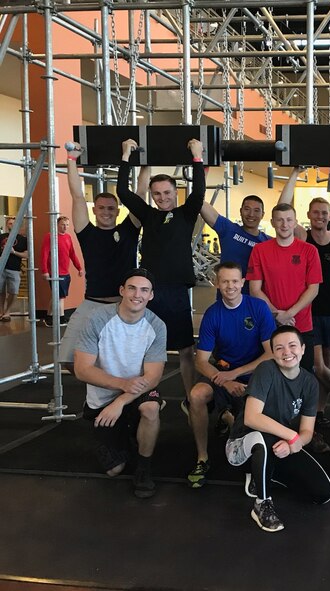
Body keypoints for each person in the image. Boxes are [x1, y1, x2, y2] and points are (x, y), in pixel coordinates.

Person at [117, 138, 205, 399]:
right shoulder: (148, 215)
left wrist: (197, 157)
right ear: (152, 196)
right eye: (157, 194)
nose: (162, 198)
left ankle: (191, 399)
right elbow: (123, 192)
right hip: (150, 294)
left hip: (177, 292)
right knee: (145, 349)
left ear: (175, 193)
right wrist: (125, 157)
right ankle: (146, 396)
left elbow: (199, 192)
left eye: (167, 193)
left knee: (186, 350)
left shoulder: (186, 214)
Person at [225, 326, 330, 533]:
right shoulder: (266, 370)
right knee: (262, 439)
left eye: (292, 346)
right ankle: (261, 504)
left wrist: (293, 445)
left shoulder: (309, 382)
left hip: (278, 443)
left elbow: (307, 432)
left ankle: (267, 473)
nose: (287, 352)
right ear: (273, 353)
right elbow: (252, 417)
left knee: (323, 493)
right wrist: (291, 436)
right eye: (279, 348)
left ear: (302, 349)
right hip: (241, 445)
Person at [73, 268, 166, 498]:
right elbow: (82, 370)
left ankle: (144, 468)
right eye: (132, 288)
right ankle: (127, 435)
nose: (138, 295)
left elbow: (152, 377)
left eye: (144, 290)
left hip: (136, 393)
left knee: (151, 408)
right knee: (115, 469)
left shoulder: (157, 326)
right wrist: (121, 384)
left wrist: (122, 401)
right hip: (103, 397)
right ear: (122, 291)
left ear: (151, 295)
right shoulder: (97, 319)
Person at [186, 262, 276, 488]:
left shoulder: (258, 308)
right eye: (225, 281)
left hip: (255, 373)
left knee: (255, 413)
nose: (230, 286)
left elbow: (270, 354)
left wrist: (236, 374)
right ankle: (202, 458)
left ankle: (259, 462)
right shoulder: (213, 314)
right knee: (196, 395)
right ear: (217, 283)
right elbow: (201, 361)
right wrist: (226, 381)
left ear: (243, 283)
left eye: (235, 281)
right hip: (224, 375)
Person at [276, 171, 330, 426]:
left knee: (327, 365)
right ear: (308, 215)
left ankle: (320, 411)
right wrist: (295, 173)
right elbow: (282, 207)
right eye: (316, 212)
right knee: (318, 366)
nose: (320, 216)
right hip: (307, 310)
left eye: (324, 213)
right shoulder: (301, 237)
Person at [59, 142, 143, 371]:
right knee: (68, 360)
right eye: (102, 208)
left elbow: (140, 193)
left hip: (121, 305)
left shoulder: (128, 230)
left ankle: (119, 399)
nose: (106, 212)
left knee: (123, 362)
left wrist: (146, 165)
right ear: (94, 210)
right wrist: (72, 159)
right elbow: (77, 196)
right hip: (91, 303)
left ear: (117, 211)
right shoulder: (87, 232)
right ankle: (99, 390)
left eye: (111, 208)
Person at [246, 202, 322, 371]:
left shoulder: (309, 251)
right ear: (272, 222)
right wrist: (276, 314)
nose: (284, 224)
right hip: (270, 324)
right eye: (279, 220)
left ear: (295, 222)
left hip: (301, 325)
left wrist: (289, 314)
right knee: (271, 376)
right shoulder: (260, 250)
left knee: (304, 375)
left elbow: (313, 289)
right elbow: (254, 289)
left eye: (289, 220)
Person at [199, 194, 270, 293]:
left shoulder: (268, 242)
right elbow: (201, 204)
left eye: (256, 210)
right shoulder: (229, 230)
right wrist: (200, 182)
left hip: (255, 299)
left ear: (263, 214)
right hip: (228, 297)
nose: (251, 214)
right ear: (240, 211)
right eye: (247, 209)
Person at [41, 216, 83, 327]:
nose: (65, 227)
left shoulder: (68, 237)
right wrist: (45, 271)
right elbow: (44, 254)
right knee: (59, 297)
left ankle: (49, 318)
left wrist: (79, 268)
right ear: (57, 225)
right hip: (54, 272)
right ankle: (61, 318)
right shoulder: (50, 236)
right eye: (63, 224)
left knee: (56, 296)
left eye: (67, 225)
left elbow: (72, 254)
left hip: (65, 272)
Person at [0, 216, 28, 322]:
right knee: (0, 291)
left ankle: (8, 310)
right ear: (7, 225)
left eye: (14, 223)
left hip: (14, 269)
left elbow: (27, 255)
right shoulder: (1, 237)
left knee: (14, 291)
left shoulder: (23, 239)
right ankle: (2, 311)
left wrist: (14, 252)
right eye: (10, 223)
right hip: (1, 268)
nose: (12, 225)